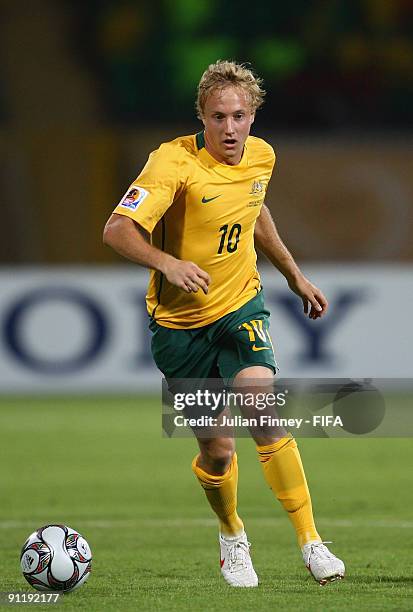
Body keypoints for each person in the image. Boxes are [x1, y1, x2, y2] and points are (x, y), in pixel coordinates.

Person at [103, 60, 345, 588]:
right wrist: (168, 263)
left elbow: (255, 210)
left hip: (239, 307)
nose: (230, 129)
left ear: (253, 116)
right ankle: (232, 534)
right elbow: (117, 230)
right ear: (202, 117)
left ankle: (311, 541)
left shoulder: (262, 156)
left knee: (263, 410)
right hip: (178, 327)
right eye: (218, 117)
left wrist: (294, 275)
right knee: (217, 449)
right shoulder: (171, 163)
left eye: (239, 116)